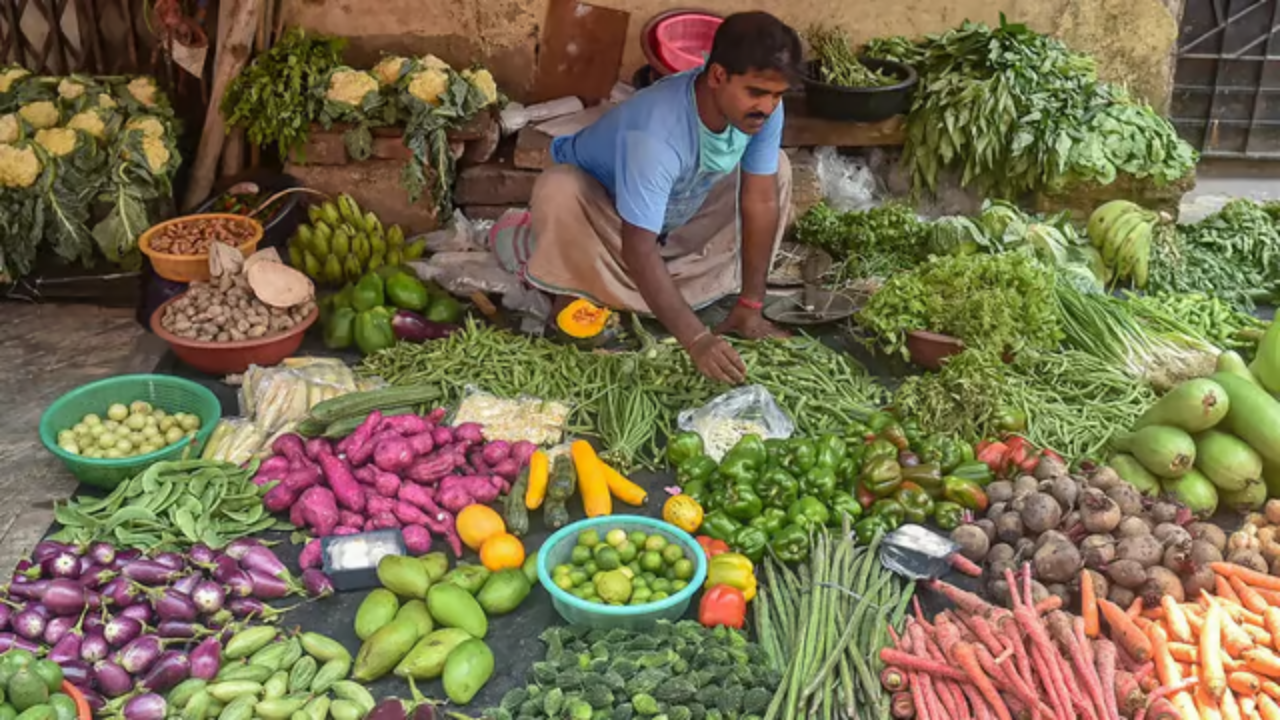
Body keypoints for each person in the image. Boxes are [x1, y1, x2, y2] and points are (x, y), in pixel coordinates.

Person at [509, 11, 801, 384]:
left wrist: (752, 304)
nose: (768, 106)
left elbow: (759, 202)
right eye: (757, 92)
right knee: (560, 190)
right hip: (610, 222)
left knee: (776, 169)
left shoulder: (763, 109)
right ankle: (581, 288)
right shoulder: (656, 134)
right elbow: (638, 247)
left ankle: (671, 292)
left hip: (678, 208)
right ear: (717, 76)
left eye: (778, 95)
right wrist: (696, 339)